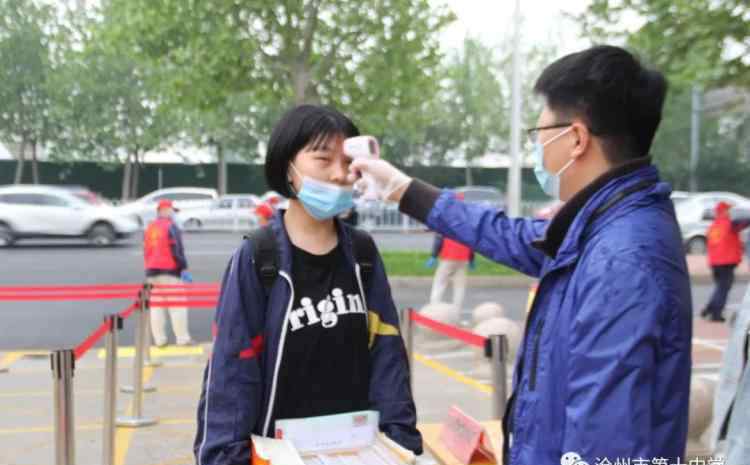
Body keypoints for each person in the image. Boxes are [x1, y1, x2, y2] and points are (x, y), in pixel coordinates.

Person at [351, 45, 692, 464]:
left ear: (577, 138)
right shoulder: (600, 225)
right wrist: (402, 189)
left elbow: (605, 443)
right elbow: (510, 236)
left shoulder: (623, 260)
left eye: (540, 133)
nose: (537, 149)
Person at [194, 105, 422, 464]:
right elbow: (231, 371)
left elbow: (387, 356)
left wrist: (402, 442)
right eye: (322, 159)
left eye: (347, 162)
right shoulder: (258, 256)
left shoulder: (362, 254)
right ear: (289, 167)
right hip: (279, 454)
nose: (338, 174)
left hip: (357, 452)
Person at [143, 199, 194, 347]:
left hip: (152, 272)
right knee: (177, 305)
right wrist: (183, 267)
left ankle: (159, 340)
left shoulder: (150, 227)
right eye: (172, 210)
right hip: (169, 270)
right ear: (164, 210)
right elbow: (177, 249)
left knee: (157, 306)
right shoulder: (171, 227)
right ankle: (182, 339)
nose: (173, 214)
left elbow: (146, 250)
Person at [426, 194, 475, 324]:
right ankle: (455, 316)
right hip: (463, 258)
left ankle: (433, 312)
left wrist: (433, 256)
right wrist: (471, 259)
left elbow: (439, 238)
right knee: (459, 287)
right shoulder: (468, 219)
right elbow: (472, 241)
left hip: (448, 256)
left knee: (440, 283)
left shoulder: (446, 218)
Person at [702, 201, 748, 322]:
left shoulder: (713, 226)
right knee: (723, 288)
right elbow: (744, 223)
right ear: (724, 211)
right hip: (726, 262)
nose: (730, 212)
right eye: (728, 210)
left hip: (714, 262)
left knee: (720, 287)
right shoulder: (729, 224)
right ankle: (716, 314)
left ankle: (709, 308)